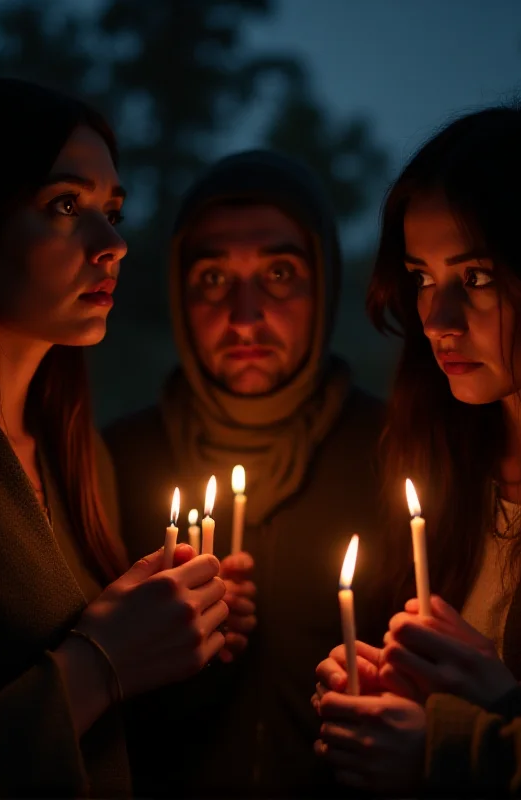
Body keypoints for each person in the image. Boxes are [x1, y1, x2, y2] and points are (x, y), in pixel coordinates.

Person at [314, 98, 521, 798]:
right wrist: (392, 697)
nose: (437, 319)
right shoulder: (441, 462)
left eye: (478, 278)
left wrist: (482, 727)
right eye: (423, 278)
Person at [104, 149, 386, 797]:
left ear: (326, 285)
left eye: (280, 273)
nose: (245, 314)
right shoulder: (111, 463)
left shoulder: (399, 454)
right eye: (211, 278)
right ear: (178, 291)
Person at [0, 77, 228, 798]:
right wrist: (101, 661)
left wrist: (173, 632)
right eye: (66, 206)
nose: (114, 244)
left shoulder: (79, 454)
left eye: (114, 211)